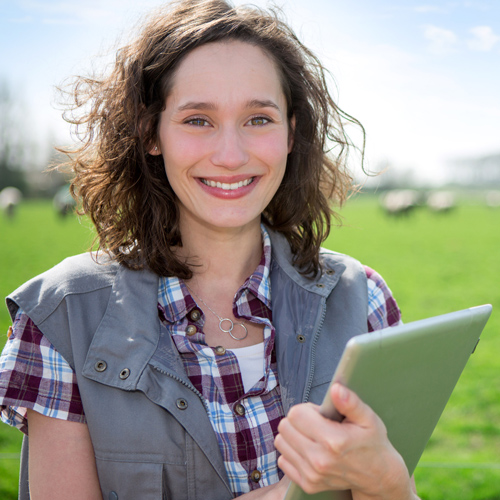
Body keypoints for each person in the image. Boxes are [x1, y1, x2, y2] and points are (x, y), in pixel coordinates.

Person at [0, 1, 420, 499]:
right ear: (150, 133)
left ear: (292, 132)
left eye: (259, 119)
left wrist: (389, 480)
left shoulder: (363, 301)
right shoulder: (63, 317)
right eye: (198, 120)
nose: (230, 155)